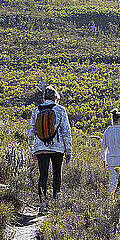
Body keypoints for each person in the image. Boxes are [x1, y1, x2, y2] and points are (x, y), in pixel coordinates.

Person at [28, 85, 72, 215]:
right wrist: (68, 150)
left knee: (43, 175)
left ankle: (42, 204)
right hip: (57, 148)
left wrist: (32, 150)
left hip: (41, 148)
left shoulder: (36, 110)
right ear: (55, 97)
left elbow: (31, 132)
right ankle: (56, 202)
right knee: (57, 174)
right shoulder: (60, 110)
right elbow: (66, 131)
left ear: (44, 97)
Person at [100, 109, 120, 196]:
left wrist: (104, 161)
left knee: (112, 182)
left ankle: (109, 199)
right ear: (119, 120)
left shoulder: (107, 131)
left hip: (111, 160)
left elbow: (103, 147)